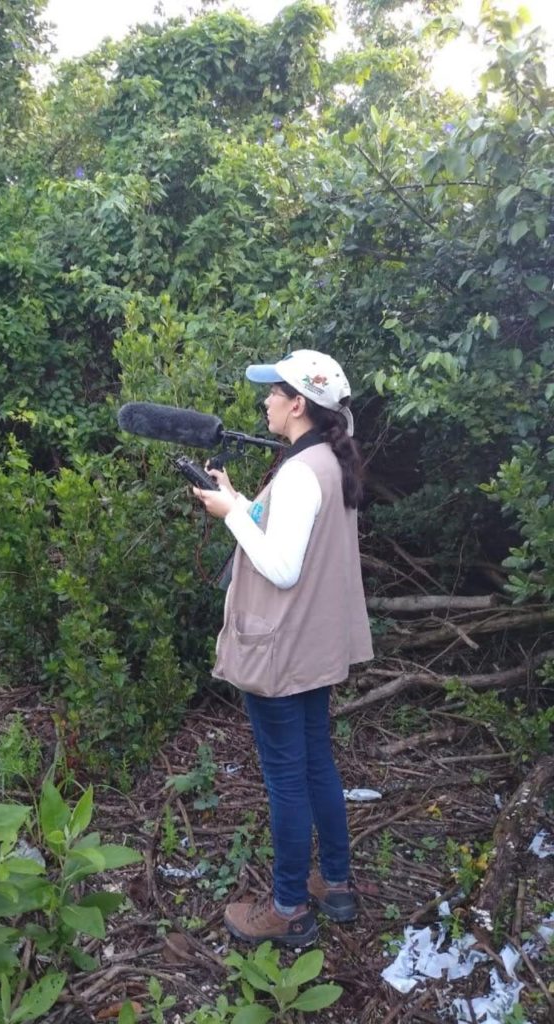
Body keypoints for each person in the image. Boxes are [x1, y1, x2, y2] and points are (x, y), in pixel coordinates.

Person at [191, 348, 373, 948]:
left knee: (287, 780)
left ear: (298, 404)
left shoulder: (300, 472)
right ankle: (337, 886)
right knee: (317, 761)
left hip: (280, 652)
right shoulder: (325, 461)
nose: (265, 400)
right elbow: (289, 532)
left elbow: (282, 567)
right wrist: (236, 500)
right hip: (314, 647)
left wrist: (228, 517)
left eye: (273, 392)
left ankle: (290, 908)